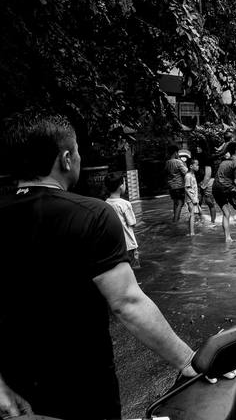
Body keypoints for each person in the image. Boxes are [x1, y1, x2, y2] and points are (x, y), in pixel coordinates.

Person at [0, 115, 203, 420]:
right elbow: (127, 302)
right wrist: (188, 360)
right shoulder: (92, 215)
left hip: (14, 394)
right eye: (78, 151)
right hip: (84, 392)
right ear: (67, 159)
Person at [105, 171, 140, 268]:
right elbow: (133, 223)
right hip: (129, 245)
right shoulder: (125, 204)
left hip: (115, 246)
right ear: (121, 186)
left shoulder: (105, 204)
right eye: (124, 183)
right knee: (133, 271)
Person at [164, 145, 188, 222]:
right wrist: (184, 164)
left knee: (175, 203)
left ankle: (175, 218)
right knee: (180, 203)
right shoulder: (178, 162)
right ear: (175, 153)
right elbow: (186, 172)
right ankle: (175, 220)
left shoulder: (167, 162)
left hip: (171, 187)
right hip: (179, 186)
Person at [194, 145, 217, 224]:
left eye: (199, 146)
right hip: (200, 181)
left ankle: (212, 222)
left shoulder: (207, 158)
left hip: (208, 182)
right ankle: (199, 220)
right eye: (196, 147)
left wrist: (203, 186)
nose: (197, 148)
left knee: (209, 202)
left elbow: (208, 174)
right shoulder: (198, 157)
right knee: (197, 202)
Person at [185, 159, 202, 236]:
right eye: (197, 165)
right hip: (191, 198)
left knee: (199, 213)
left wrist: (196, 198)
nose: (198, 166)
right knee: (192, 214)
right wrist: (192, 199)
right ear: (191, 166)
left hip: (194, 197)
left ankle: (196, 227)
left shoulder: (193, 174)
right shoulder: (188, 176)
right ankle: (191, 233)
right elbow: (186, 188)